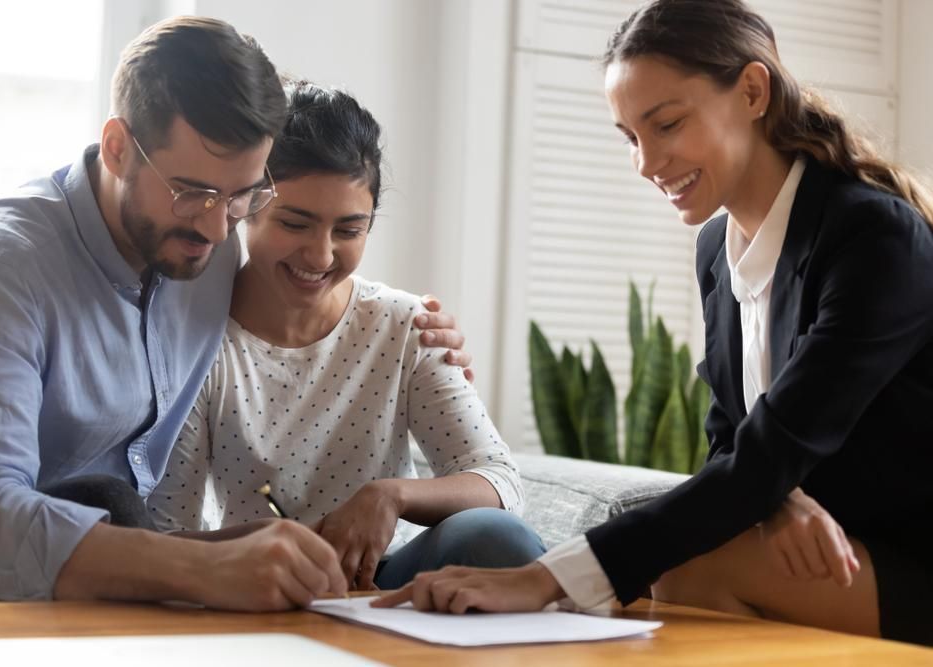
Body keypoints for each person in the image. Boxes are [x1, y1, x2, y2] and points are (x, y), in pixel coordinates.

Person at [376, 0, 933, 646]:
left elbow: (777, 442)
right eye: (631, 137)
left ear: (753, 91)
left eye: (665, 124)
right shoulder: (719, 248)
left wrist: (542, 578)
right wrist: (774, 500)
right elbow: (732, 439)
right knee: (669, 561)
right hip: (834, 551)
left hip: (911, 556)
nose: (645, 162)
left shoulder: (873, 236)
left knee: (682, 566)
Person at [0, 16, 468, 610]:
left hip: (118, 576)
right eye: (193, 191)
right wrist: (196, 565)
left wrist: (416, 325)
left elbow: (310, 293)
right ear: (116, 148)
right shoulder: (0, 265)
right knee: (105, 498)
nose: (218, 228)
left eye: (242, 196)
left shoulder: (202, 247)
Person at [147, 82, 545, 591]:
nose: (320, 256)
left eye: (348, 230)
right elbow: (166, 534)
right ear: (246, 206)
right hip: (252, 584)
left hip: (380, 588)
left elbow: (498, 480)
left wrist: (390, 496)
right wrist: (276, 546)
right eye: (295, 223)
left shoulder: (405, 326)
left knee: (494, 536)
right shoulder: (197, 342)